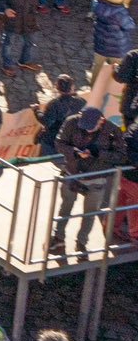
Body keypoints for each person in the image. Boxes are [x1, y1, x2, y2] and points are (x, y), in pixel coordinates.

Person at [50, 108, 121, 256]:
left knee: (90, 212)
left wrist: (97, 154)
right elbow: (59, 143)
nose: (88, 131)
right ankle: (58, 238)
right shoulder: (71, 122)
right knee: (65, 207)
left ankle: (81, 242)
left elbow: (120, 156)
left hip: (96, 177)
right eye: (85, 127)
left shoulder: (113, 131)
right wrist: (75, 152)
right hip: (73, 172)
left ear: (101, 121)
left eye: (91, 127)